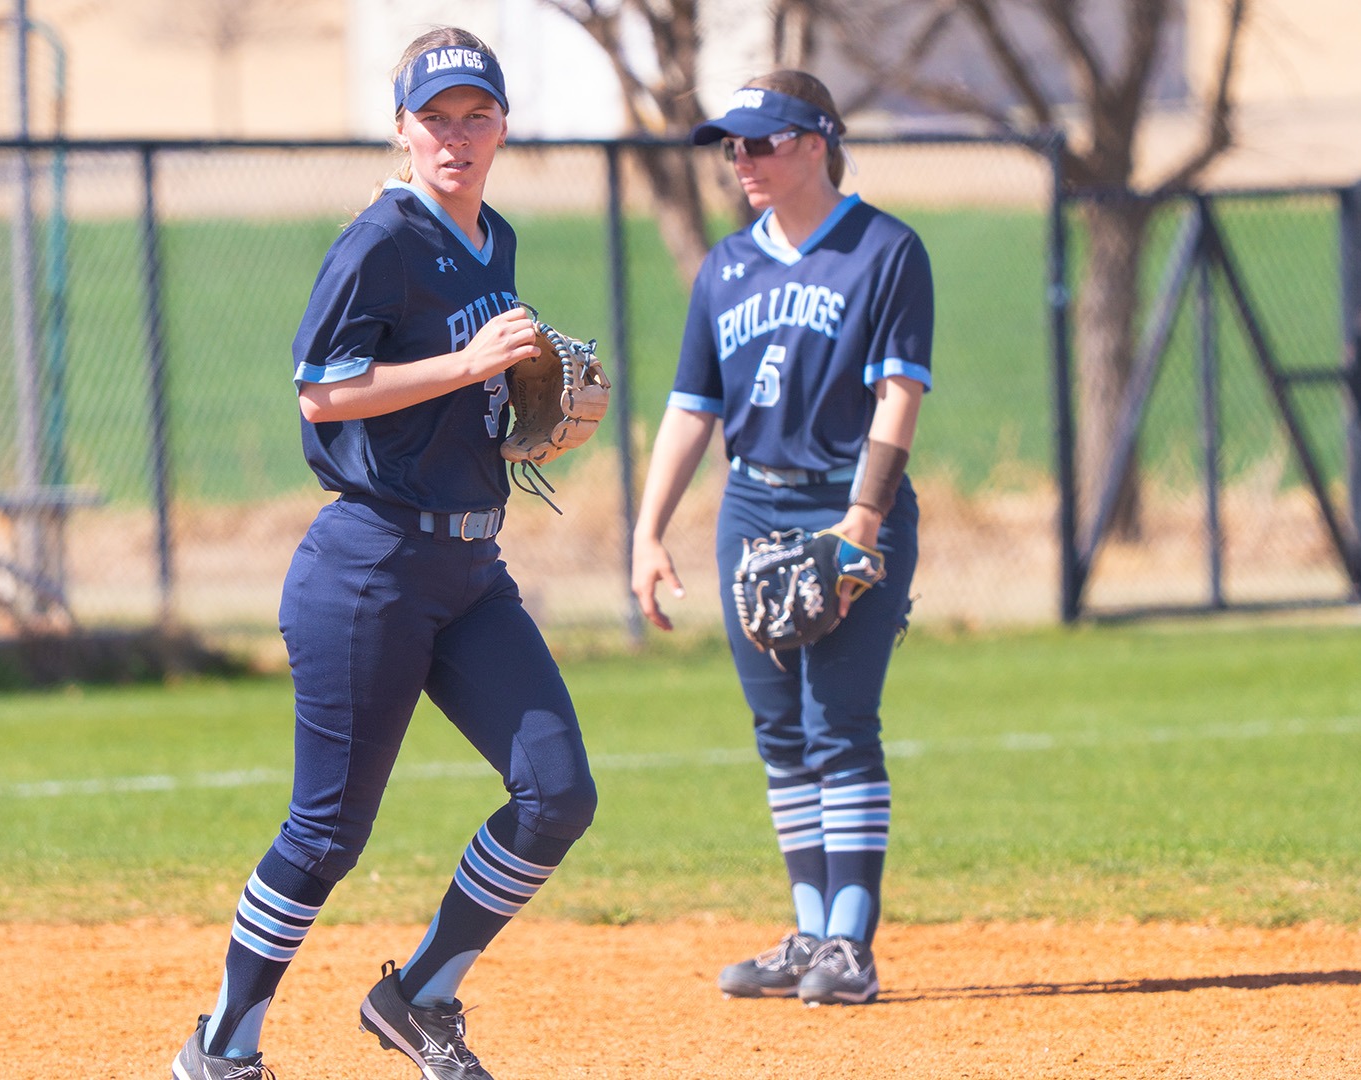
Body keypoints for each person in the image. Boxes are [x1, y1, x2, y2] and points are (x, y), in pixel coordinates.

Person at [171, 27, 597, 1080]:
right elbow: (321, 390)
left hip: (470, 567)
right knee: (326, 837)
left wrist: (519, 408)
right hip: (369, 569)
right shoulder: (380, 241)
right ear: (403, 129)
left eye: (475, 115)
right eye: (435, 117)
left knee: (557, 793)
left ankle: (417, 997)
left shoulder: (491, 238)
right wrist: (466, 365)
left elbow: (467, 393)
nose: (456, 135)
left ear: (503, 126)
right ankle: (222, 1048)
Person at [630, 70, 931, 1007]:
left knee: (839, 726)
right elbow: (691, 408)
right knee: (778, 731)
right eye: (733, 145)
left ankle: (851, 944)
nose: (742, 160)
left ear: (815, 142)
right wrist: (647, 532)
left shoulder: (885, 248)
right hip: (751, 508)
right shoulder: (726, 266)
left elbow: (900, 395)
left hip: (846, 504)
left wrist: (864, 524)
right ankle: (807, 932)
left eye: (761, 142)